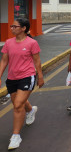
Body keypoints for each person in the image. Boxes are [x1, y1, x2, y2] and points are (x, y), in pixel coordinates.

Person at [0, 18, 44, 150]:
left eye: (14, 26)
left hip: (27, 76)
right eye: (11, 26)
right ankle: (30, 111)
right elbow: (4, 61)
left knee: (18, 105)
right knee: (18, 103)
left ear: (23, 28)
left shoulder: (32, 43)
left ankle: (15, 136)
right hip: (12, 78)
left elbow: (37, 61)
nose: (11, 28)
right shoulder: (8, 42)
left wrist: (40, 77)